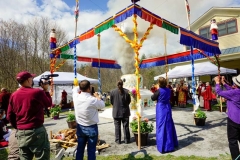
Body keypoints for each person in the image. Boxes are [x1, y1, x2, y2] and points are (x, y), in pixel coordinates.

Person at [7, 71, 52, 160]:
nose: (32, 79)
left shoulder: (14, 95)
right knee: (42, 156)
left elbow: (9, 115)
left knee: (24, 157)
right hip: (36, 131)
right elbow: (48, 103)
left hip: (21, 131)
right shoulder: (37, 92)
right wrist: (46, 90)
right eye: (31, 78)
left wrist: (18, 127)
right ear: (28, 80)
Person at [72, 80, 105, 160]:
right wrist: (97, 96)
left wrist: (81, 87)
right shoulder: (92, 100)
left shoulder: (76, 96)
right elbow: (102, 105)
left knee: (80, 149)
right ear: (88, 88)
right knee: (91, 150)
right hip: (91, 127)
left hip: (80, 126)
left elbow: (74, 89)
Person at [214, 75, 240, 160]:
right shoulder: (236, 91)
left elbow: (219, 92)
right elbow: (232, 90)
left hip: (234, 120)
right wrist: (224, 83)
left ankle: (236, 158)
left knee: (233, 141)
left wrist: (217, 83)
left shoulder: (235, 92)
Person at [151, 77, 178, 153]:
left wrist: (156, 89)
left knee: (161, 126)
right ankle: (170, 144)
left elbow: (152, 98)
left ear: (159, 83)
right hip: (167, 107)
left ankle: (163, 146)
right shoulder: (169, 90)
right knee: (169, 125)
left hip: (161, 108)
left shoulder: (159, 91)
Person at [110, 79, 131, 144]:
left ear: (117, 84)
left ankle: (118, 140)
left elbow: (111, 102)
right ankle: (127, 140)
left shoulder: (112, 92)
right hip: (125, 111)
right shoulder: (127, 91)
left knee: (117, 126)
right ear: (122, 84)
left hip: (116, 112)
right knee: (126, 126)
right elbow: (129, 101)